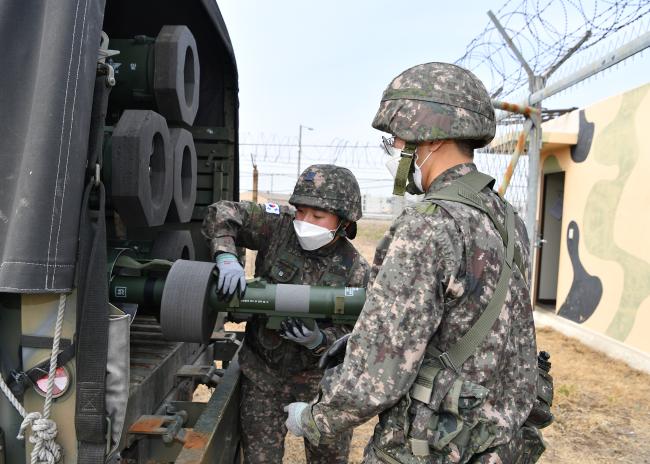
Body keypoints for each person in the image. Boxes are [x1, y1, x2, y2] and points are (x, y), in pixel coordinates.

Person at [284, 62, 541, 463]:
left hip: (433, 447)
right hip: (497, 443)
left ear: (430, 140)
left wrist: (315, 418)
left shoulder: (427, 227)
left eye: (399, 141)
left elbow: (379, 374)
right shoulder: (507, 218)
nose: (396, 152)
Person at [202, 164, 370, 463]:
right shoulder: (279, 226)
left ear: (343, 222)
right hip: (262, 375)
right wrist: (226, 255)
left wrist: (320, 340)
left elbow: (359, 339)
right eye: (302, 211)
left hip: (321, 386)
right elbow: (223, 212)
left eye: (318, 216)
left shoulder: (355, 270)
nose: (305, 221)